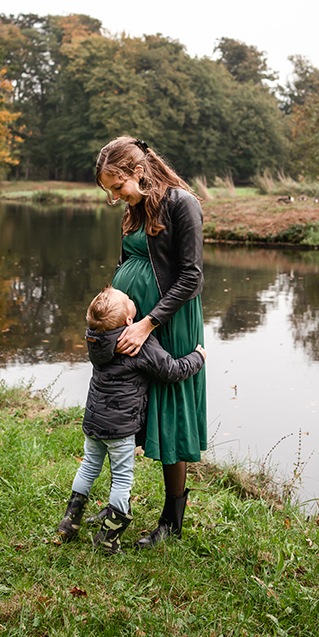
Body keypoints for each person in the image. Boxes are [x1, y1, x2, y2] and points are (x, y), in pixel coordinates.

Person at [95, 135, 206, 548]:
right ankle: (118, 503)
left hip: (168, 322)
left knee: (169, 414)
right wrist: (112, 303)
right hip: (133, 317)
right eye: (109, 191)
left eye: (117, 187)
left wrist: (148, 323)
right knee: (125, 409)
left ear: (138, 172)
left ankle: (172, 521)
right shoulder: (135, 206)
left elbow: (191, 277)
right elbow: (128, 260)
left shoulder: (182, 204)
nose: (114, 197)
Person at [56, 285, 206, 554]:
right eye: (127, 299)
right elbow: (172, 370)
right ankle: (109, 538)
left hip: (94, 421)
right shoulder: (139, 343)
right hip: (120, 428)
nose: (130, 296)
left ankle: (70, 521)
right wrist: (198, 357)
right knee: (122, 480)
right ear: (128, 320)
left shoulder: (95, 339)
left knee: (88, 467)